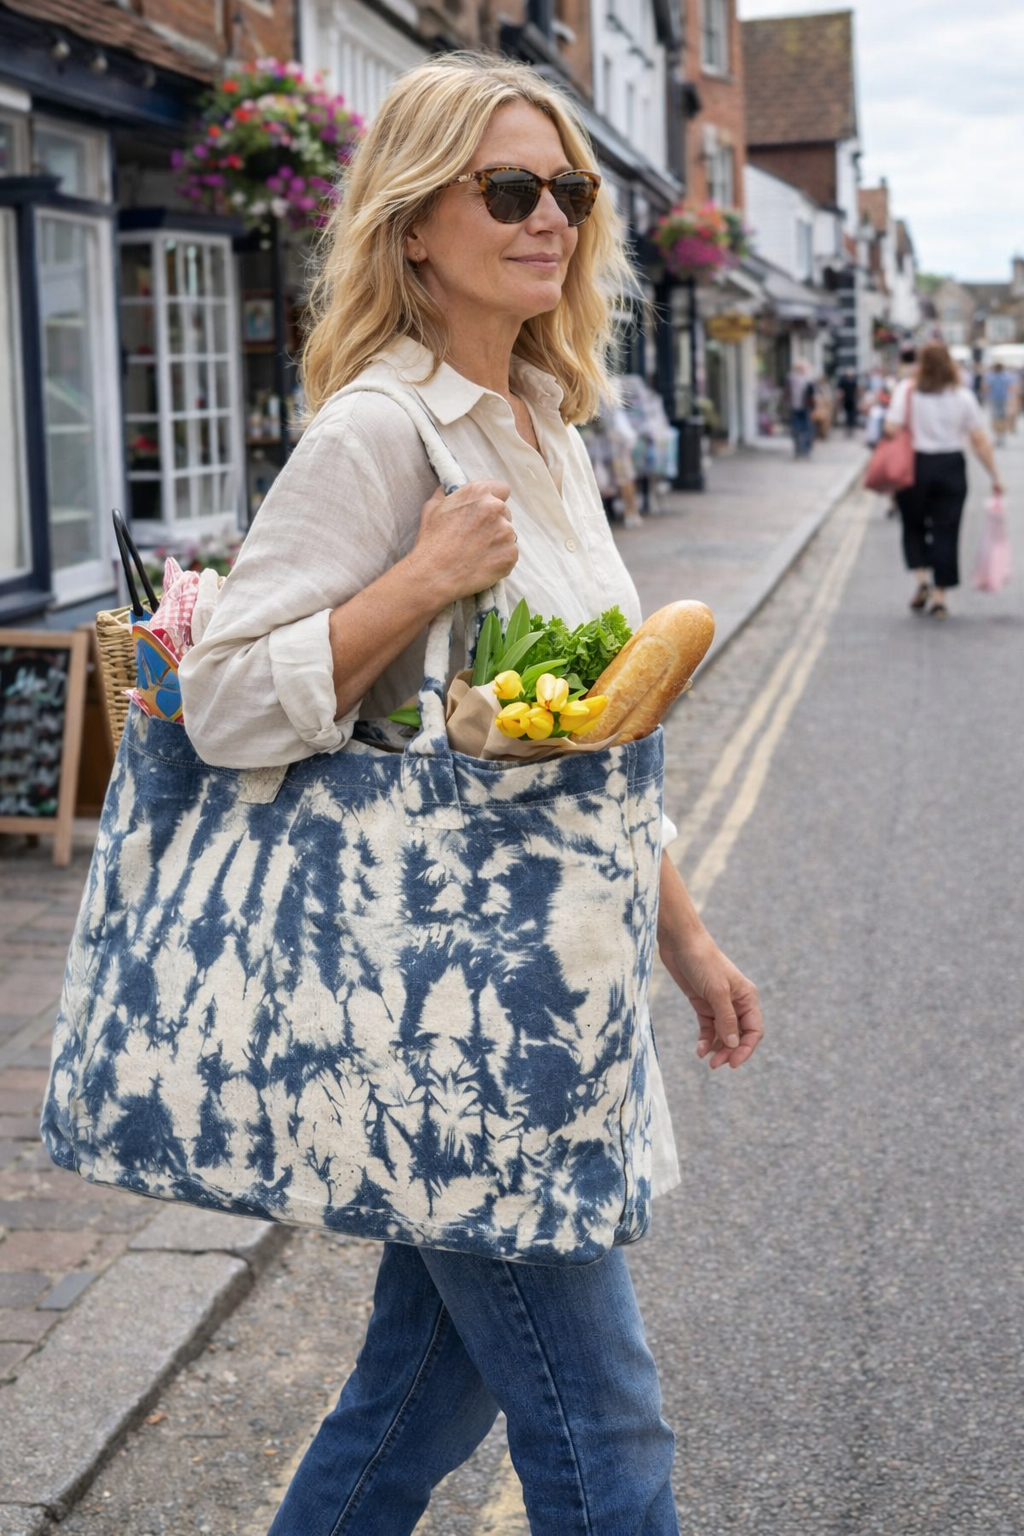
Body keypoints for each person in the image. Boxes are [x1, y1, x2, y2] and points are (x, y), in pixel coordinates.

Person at [179, 53, 763, 1536]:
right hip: (455, 1026)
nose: (551, 215)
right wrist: (418, 584)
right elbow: (225, 699)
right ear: (416, 224)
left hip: (548, 992)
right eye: (510, 188)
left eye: (566, 190)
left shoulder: (549, 429)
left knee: (417, 1399)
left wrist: (685, 943)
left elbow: (595, 742)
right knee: (607, 1434)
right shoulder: (381, 429)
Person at [885, 339, 1004, 618]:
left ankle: (922, 581)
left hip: (916, 465)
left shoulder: (908, 391)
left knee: (913, 526)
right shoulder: (962, 395)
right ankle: (940, 597)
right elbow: (979, 440)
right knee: (947, 530)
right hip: (951, 465)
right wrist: (995, 475)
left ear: (921, 365)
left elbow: (891, 427)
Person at [786, 357, 815, 457]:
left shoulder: (790, 378)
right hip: (803, 407)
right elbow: (812, 395)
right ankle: (805, 449)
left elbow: (787, 393)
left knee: (797, 429)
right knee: (806, 429)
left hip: (795, 407)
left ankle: (799, 448)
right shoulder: (807, 380)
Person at [985, 361, 1011, 446]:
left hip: (995, 399)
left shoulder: (991, 377)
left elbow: (987, 388)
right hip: (1002, 399)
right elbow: (1009, 388)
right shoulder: (1005, 376)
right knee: (1002, 418)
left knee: (995, 418)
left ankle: (998, 436)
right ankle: (1001, 436)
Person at [838, 369, 859, 436]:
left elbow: (856, 391)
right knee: (847, 415)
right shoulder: (844, 382)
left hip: (852, 401)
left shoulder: (853, 382)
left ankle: (850, 428)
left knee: (851, 415)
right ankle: (847, 428)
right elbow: (840, 390)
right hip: (846, 401)